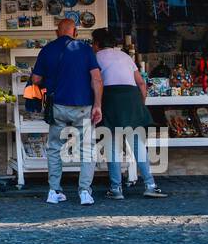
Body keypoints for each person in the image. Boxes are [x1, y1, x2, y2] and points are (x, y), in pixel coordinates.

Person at [30, 18, 103, 206]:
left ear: (57, 32)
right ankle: (85, 192)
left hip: (58, 107)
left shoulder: (47, 50)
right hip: (83, 106)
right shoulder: (85, 50)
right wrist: (97, 105)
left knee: (54, 148)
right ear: (75, 31)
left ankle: (54, 190)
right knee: (86, 148)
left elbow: (36, 79)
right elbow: (96, 79)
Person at [91, 28, 166, 199]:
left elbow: (96, 82)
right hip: (131, 98)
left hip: (111, 98)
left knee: (112, 144)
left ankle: (116, 189)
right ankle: (150, 185)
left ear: (96, 43)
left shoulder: (95, 57)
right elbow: (141, 83)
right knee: (137, 143)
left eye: (93, 43)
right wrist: (140, 105)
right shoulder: (125, 56)